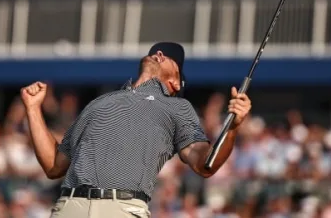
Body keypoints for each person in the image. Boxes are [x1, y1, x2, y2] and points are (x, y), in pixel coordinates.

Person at [20, 42, 252, 218]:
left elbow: (205, 164)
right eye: (157, 52)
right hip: (69, 207)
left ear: (176, 84)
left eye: (169, 58)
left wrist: (232, 128)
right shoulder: (100, 102)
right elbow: (53, 165)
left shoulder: (176, 106)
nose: (158, 53)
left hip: (121, 208)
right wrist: (33, 109)